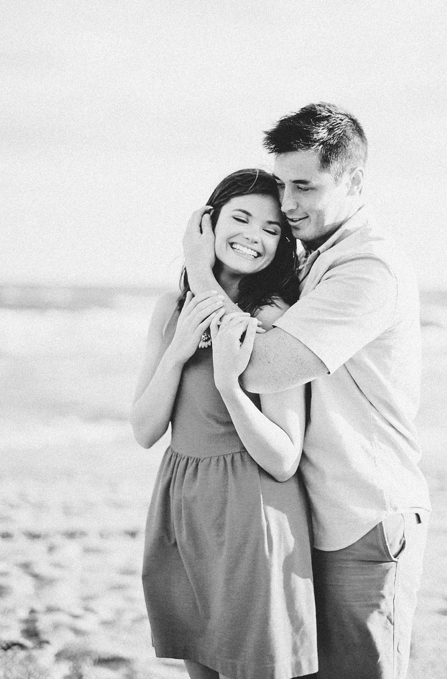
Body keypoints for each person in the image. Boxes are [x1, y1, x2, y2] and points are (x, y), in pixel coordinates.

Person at [181, 103, 431, 679]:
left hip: (363, 514)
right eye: (282, 185)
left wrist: (199, 273)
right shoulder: (312, 257)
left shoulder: (369, 268)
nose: (288, 204)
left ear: (354, 180)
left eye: (304, 187)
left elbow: (263, 368)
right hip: (307, 517)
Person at [131, 169, 316, 678]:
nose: (254, 236)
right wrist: (176, 355)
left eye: (272, 228)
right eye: (240, 218)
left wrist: (231, 388)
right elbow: (144, 430)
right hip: (179, 504)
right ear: (207, 221)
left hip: (248, 507)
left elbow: (283, 459)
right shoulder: (170, 309)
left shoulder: (273, 316)